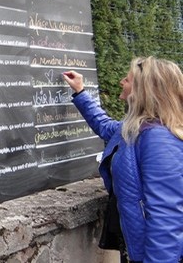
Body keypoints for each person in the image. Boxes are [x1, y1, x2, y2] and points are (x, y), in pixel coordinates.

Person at [63, 56, 183, 263]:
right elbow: (104, 125)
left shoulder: (158, 137)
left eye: (127, 79)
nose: (121, 82)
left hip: (155, 254)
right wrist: (80, 92)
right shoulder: (134, 128)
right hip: (135, 244)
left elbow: (167, 215)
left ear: (144, 89)